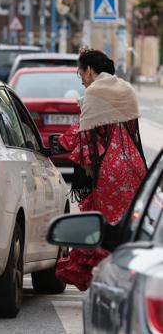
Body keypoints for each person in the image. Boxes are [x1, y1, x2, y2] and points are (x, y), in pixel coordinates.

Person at [54, 47, 147, 291]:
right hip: (135, 166)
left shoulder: (95, 93)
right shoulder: (126, 89)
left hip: (110, 172)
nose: (82, 79)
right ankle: (130, 274)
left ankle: (107, 278)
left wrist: (57, 145)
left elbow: (82, 133)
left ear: (92, 71)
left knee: (102, 226)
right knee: (127, 225)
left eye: (81, 73)